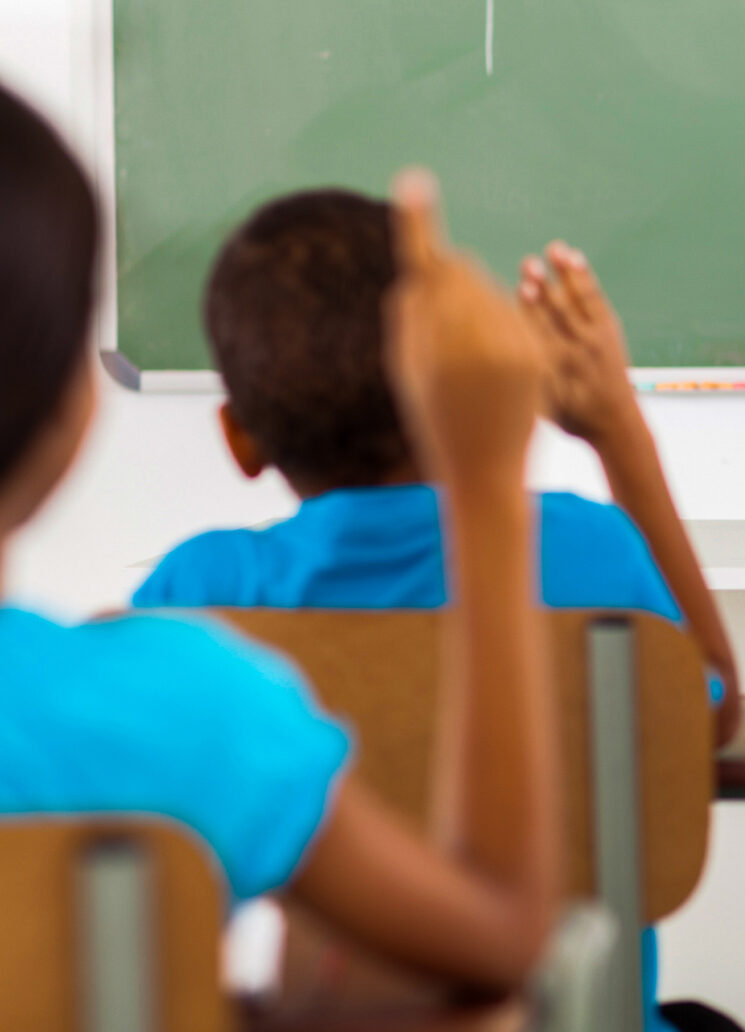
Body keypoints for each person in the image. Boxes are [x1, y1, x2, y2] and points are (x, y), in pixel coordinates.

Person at [131, 189, 743, 1032]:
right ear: (465, 377)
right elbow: (710, 714)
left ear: (241, 438)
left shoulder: (194, 597)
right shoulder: (587, 551)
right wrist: (616, 430)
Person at [0, 81, 560, 997]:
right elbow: (500, 940)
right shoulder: (174, 707)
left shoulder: (195, 597)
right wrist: (490, 485)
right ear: (70, 411)